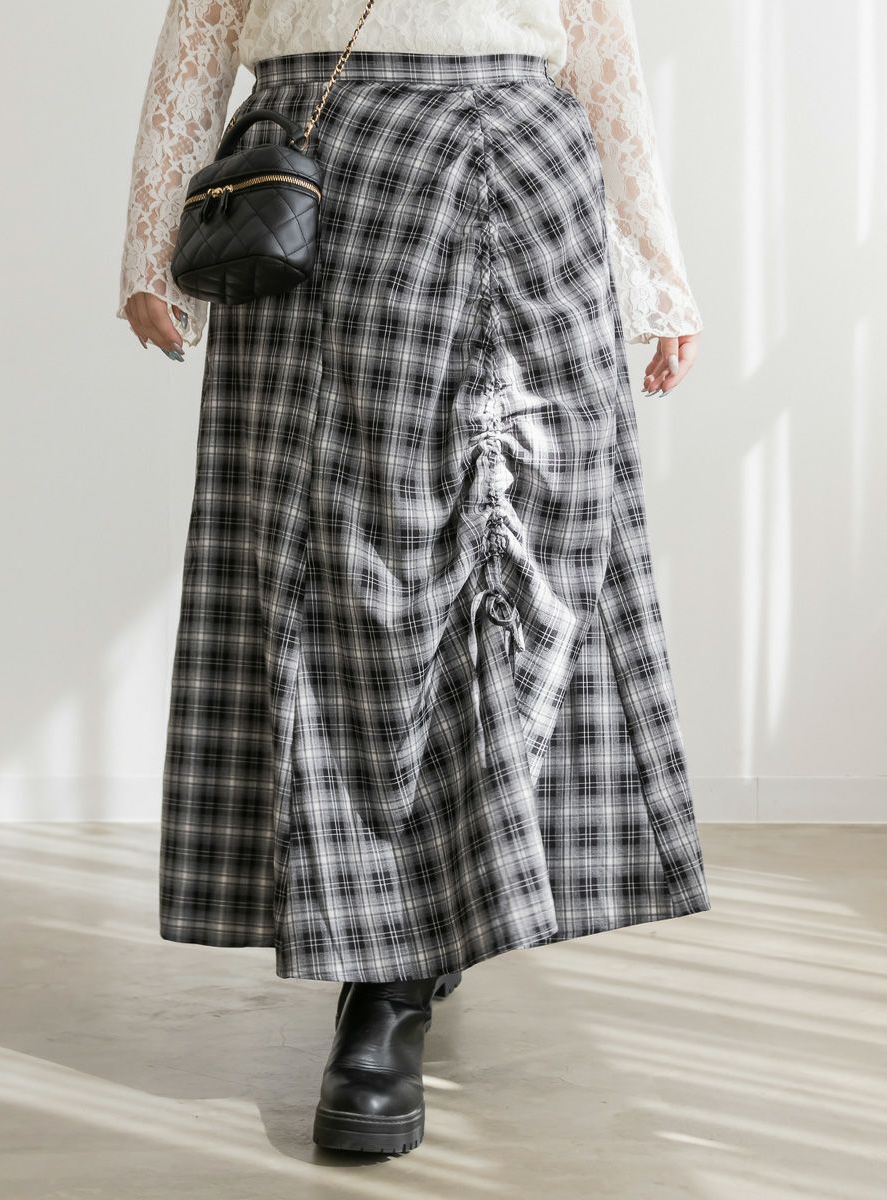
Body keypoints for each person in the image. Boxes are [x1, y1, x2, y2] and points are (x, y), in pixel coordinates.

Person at [118, 0, 711, 1157]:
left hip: (527, 172)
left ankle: (438, 915)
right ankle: (382, 977)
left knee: (535, 548)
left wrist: (653, 265)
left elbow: (600, 41)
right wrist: (152, 247)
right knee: (348, 576)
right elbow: (197, 31)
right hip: (322, 179)